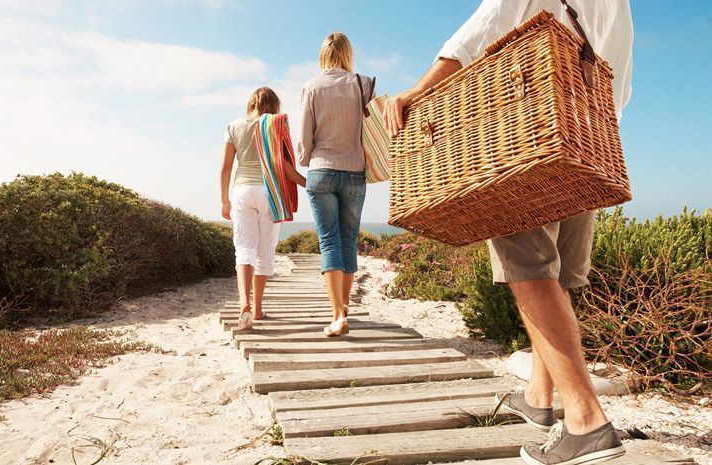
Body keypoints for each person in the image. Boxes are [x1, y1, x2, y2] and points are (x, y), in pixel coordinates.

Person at [384, 1, 633, 464]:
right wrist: (595, 118)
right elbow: (619, 72)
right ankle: (539, 397)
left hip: (528, 121)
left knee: (530, 268)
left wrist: (416, 92)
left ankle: (586, 420)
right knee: (559, 276)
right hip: (586, 128)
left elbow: (483, 29)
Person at [298, 32, 375, 337]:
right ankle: (344, 309)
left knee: (329, 241)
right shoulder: (362, 83)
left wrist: (307, 157)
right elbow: (374, 127)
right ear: (347, 53)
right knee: (348, 239)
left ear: (323, 55)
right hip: (355, 171)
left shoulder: (311, 86)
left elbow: (305, 137)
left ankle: (337, 315)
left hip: (322, 170)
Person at [221, 87, 306, 331]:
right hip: (269, 193)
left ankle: (244, 305)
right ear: (274, 106)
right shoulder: (273, 126)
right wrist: (308, 184)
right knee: (264, 253)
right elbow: (284, 167)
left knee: (244, 250)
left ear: (251, 105)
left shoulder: (234, 126)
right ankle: (258, 309)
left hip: (242, 191)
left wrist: (224, 200)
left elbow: (226, 168)